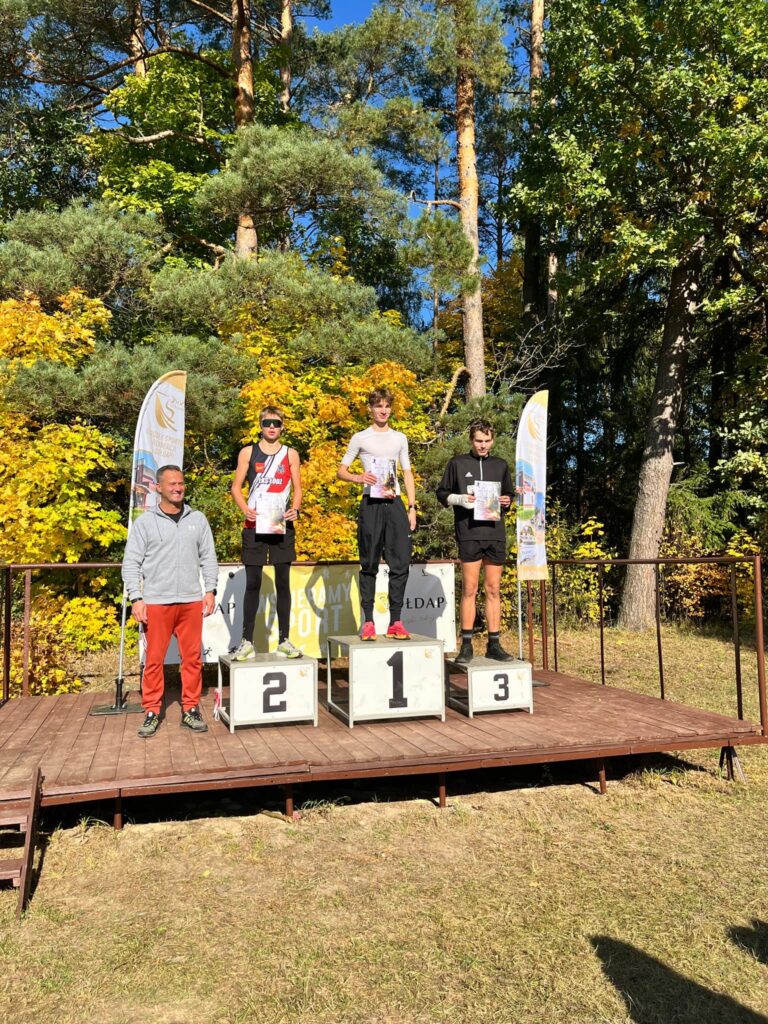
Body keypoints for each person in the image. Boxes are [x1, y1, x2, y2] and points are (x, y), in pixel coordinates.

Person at [122, 466, 218, 738]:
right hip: (156, 602)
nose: (178, 488)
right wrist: (136, 598)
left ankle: (190, 709)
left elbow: (208, 557)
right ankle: (152, 710)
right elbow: (131, 563)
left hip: (190, 602)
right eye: (172, 484)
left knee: (193, 660)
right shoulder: (145, 522)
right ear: (158, 488)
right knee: (153, 660)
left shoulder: (197, 519)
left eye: (181, 483)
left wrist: (210, 589)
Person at [337, 387, 417, 640]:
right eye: (378, 406)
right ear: (370, 409)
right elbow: (341, 471)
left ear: (390, 409)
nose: (383, 411)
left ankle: (396, 621)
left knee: (400, 562)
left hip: (395, 504)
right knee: (369, 562)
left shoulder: (400, 438)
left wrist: (412, 507)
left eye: (386, 406)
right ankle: (369, 621)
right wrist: (358, 477)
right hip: (370, 502)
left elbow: (407, 473)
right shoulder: (360, 438)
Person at [437, 419, 515, 664]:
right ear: (471, 440)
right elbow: (442, 493)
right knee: (470, 589)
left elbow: (509, 495)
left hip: (494, 533)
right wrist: (460, 499)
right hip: (469, 532)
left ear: (493, 441)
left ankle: (494, 643)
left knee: (493, 589)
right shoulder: (458, 463)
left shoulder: (500, 465)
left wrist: (506, 501)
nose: (483, 445)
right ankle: (467, 645)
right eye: (479, 441)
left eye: (487, 441)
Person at [230, 406, 303, 660]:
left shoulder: (290, 454)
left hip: (281, 524)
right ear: (260, 426)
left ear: (283, 426)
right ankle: (246, 640)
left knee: (283, 583)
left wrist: (295, 509)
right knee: (253, 583)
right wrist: (245, 510)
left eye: (276, 423)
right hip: (255, 525)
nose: (271, 427)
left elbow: (298, 489)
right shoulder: (248, 452)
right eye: (267, 423)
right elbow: (236, 488)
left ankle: (284, 639)